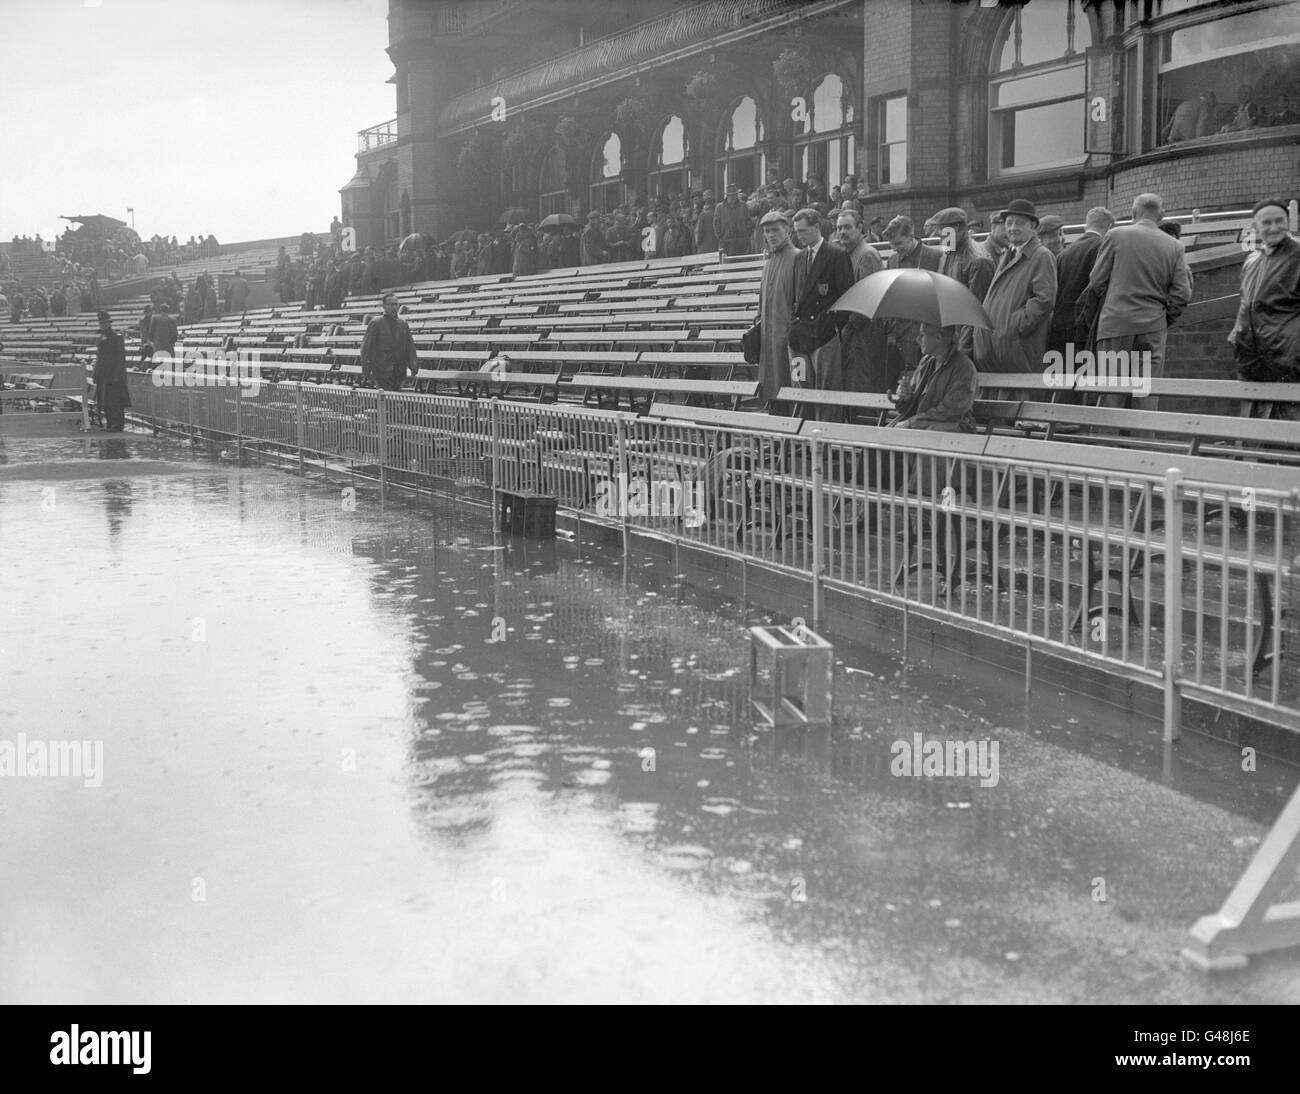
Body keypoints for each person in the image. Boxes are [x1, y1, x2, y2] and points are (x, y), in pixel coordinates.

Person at [1078, 192, 1191, 404]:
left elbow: (1096, 281)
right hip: (1153, 327)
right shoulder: (1175, 246)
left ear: (1133, 213)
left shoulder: (1116, 235)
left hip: (1115, 324)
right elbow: (1182, 293)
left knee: (1111, 394)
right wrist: (1163, 319)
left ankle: (1107, 436)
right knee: (1146, 395)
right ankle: (1144, 435)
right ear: (1161, 215)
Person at [973, 199, 1057, 392]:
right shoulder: (1008, 254)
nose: (1012, 228)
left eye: (1020, 223)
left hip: (1018, 350)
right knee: (1002, 413)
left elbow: (1044, 300)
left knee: (1022, 410)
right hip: (1000, 350)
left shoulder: (1041, 255)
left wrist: (1013, 326)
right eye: (1009, 223)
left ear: (1033, 227)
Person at [1229, 197, 1300, 418]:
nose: (1273, 227)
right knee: (1254, 443)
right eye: (1266, 222)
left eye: (1279, 221)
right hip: (1252, 365)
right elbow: (1246, 306)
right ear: (1255, 227)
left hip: (1290, 365)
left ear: (1289, 222)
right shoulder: (1252, 260)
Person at [786, 207, 854, 421]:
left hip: (824, 335)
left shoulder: (836, 255)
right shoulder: (799, 258)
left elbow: (846, 297)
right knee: (801, 389)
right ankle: (803, 439)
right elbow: (796, 298)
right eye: (797, 232)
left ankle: (827, 442)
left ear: (816, 227)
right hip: (799, 337)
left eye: (804, 231)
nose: (800, 236)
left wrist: (831, 326)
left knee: (827, 390)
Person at [882, 215, 942, 387]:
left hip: (923, 334)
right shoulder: (893, 260)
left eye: (899, 244)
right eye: (892, 246)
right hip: (898, 337)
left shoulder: (934, 257)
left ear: (911, 236)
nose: (896, 250)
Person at [834, 208, 888, 395]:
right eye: (839, 228)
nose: (842, 232)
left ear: (859, 228)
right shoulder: (847, 254)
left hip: (863, 332)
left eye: (847, 227)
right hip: (851, 331)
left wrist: (848, 328)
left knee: (861, 384)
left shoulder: (866, 255)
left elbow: (869, 298)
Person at [1049, 205, 1115, 358]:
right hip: (1085, 329)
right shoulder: (1102, 247)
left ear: (1087, 225)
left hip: (1060, 326)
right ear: (1109, 227)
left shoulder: (1064, 253)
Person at [751, 209, 800, 408]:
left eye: (775, 229)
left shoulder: (798, 258)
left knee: (791, 387)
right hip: (768, 337)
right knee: (771, 390)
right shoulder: (768, 264)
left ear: (787, 229)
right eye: (767, 231)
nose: (770, 235)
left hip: (789, 338)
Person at [931, 206, 994, 357]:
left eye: (943, 230)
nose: (939, 235)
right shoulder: (949, 253)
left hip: (969, 348)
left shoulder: (978, 261)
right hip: (952, 341)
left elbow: (975, 314)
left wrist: (962, 353)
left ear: (959, 228)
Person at [360, 293, 417, 392]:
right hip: (381, 369)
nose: (393, 307)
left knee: (395, 398)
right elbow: (366, 347)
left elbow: (410, 346)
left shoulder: (403, 324)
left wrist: (413, 365)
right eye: (390, 304)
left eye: (395, 304)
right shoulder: (375, 323)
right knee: (385, 398)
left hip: (399, 369)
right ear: (384, 306)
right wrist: (366, 368)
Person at [93, 311, 131, 432]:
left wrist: (117, 375)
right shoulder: (101, 338)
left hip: (114, 374)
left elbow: (120, 359)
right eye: (101, 323)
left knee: (116, 400)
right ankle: (109, 424)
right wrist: (96, 372)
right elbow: (99, 357)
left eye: (105, 323)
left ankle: (118, 424)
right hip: (103, 374)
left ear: (109, 323)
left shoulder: (116, 338)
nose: (103, 325)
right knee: (105, 400)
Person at [714, 184, 753, 257]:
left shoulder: (743, 205)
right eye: (732, 195)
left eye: (735, 195)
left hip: (742, 242)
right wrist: (721, 236)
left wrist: (747, 233)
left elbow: (749, 220)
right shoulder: (720, 207)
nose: (734, 197)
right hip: (726, 243)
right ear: (727, 196)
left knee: (743, 264)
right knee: (728, 264)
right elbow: (716, 223)